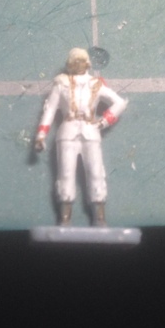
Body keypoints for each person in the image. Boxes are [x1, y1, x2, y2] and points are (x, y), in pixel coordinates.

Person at [34, 48, 126, 226]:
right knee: (65, 174)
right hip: (67, 133)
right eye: (74, 61)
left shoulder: (95, 84)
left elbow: (119, 102)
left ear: (87, 63)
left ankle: (100, 218)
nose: (78, 64)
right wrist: (41, 134)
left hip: (91, 132)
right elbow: (50, 109)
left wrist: (103, 122)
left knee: (96, 172)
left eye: (81, 61)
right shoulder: (61, 84)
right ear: (69, 64)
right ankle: (65, 218)